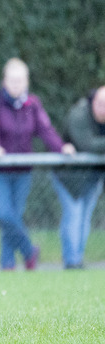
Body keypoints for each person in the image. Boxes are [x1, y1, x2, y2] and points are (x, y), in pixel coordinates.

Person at [0, 58, 74, 271]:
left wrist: (61, 148)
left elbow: (45, 130)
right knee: (4, 215)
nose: (16, 84)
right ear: (4, 81)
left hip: (23, 171)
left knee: (14, 217)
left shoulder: (32, 104)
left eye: (20, 80)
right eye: (12, 80)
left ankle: (8, 264)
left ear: (27, 82)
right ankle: (29, 251)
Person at [50, 86, 105, 269]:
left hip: (92, 177)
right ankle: (71, 260)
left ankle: (77, 258)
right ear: (93, 102)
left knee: (84, 218)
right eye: (100, 103)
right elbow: (87, 144)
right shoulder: (79, 115)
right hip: (68, 176)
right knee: (73, 215)